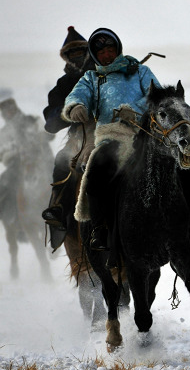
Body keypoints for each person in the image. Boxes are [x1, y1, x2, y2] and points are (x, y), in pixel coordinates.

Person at [61, 28, 163, 251]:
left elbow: (157, 98)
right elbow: (77, 95)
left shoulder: (141, 72)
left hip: (144, 135)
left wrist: (135, 111)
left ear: (118, 48)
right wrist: (76, 106)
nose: (107, 55)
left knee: (179, 168)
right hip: (110, 136)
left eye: (111, 49)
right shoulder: (91, 78)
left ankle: (185, 230)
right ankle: (99, 228)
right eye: (102, 52)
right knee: (95, 170)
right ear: (95, 55)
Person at [41, 26, 96, 239]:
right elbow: (51, 119)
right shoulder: (64, 84)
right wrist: (69, 112)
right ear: (66, 58)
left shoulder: (105, 73)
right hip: (81, 136)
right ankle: (58, 209)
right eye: (71, 54)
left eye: (80, 52)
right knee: (62, 161)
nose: (77, 57)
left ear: (88, 51)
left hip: (112, 129)